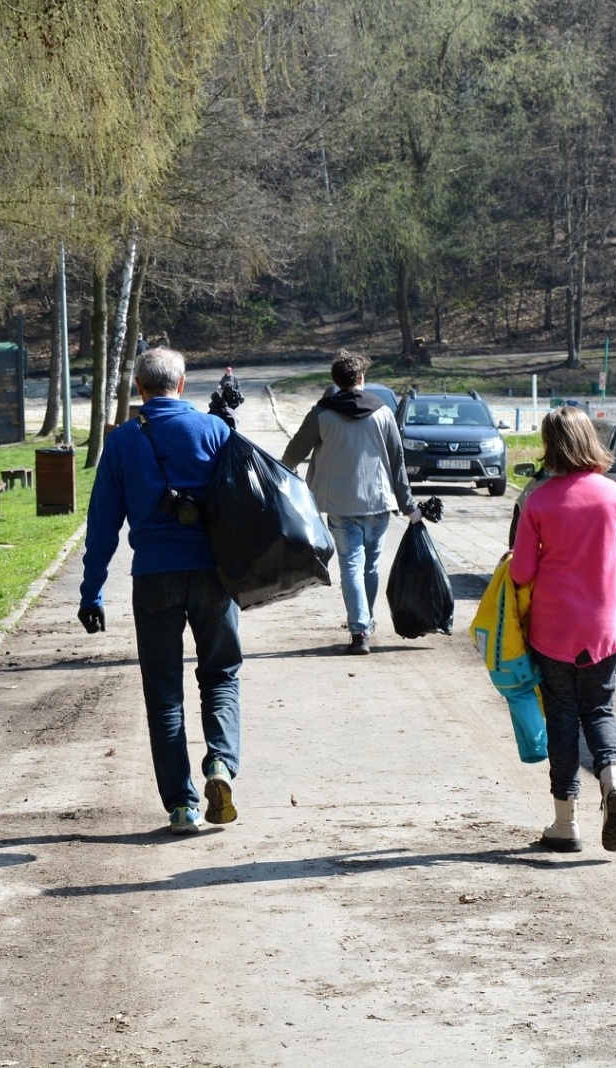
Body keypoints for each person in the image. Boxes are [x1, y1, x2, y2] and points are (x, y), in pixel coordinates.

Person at [78, 347, 242, 835]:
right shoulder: (215, 431)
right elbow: (241, 504)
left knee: (164, 692)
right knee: (221, 675)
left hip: (153, 577)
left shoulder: (123, 442)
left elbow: (103, 523)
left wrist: (92, 591)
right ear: (183, 384)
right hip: (213, 575)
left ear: (138, 388)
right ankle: (221, 764)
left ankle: (183, 806)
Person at [510, 404, 616, 854]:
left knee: (561, 717)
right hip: (604, 631)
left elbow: (522, 574)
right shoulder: (614, 496)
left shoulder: (538, 501)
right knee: (599, 711)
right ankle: (613, 781)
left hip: (553, 631)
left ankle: (565, 824)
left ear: (551, 447)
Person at [282, 350, 420, 655]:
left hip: (339, 504)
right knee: (370, 567)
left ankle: (359, 630)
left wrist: (283, 475)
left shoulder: (323, 413)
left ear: (336, 380)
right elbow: (397, 463)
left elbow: (293, 454)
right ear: (361, 379)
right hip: (379, 502)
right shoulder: (383, 412)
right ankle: (365, 623)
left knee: (351, 567)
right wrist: (409, 506)